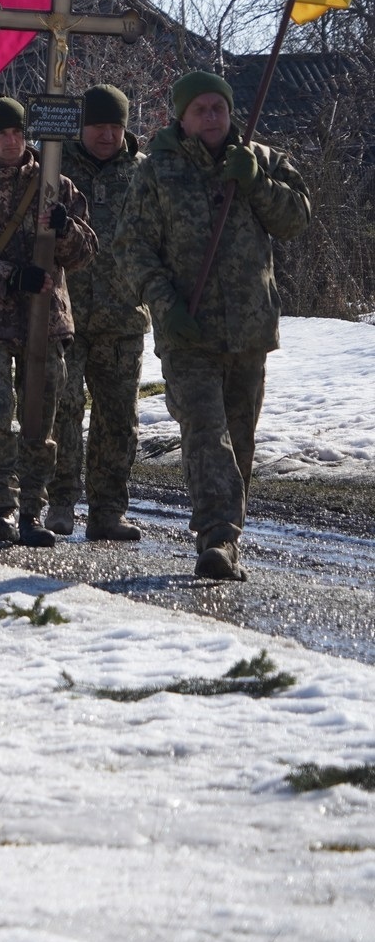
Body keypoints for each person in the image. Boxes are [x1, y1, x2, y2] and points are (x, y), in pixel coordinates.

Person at [115, 71, 312, 581]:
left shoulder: (260, 160)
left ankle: (229, 534)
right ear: (181, 116)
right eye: (200, 109)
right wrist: (163, 303)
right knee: (205, 432)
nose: (210, 117)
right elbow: (132, 249)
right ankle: (217, 537)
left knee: (239, 438)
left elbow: (296, 220)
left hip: (248, 331)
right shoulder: (157, 172)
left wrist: (257, 182)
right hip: (189, 332)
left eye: (218, 109)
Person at [0, 96, 97, 546]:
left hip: (45, 323)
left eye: (18, 132)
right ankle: (1, 507)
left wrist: (67, 230)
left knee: (40, 420)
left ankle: (32, 509)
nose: (11, 140)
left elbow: (87, 253)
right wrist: (11, 278)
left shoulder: (56, 186)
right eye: (2, 133)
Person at [46, 85, 151, 542]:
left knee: (118, 418)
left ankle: (107, 510)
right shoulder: (54, 169)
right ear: (81, 127)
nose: (107, 135)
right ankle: (60, 502)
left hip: (123, 316)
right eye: (98, 126)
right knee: (61, 410)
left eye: (115, 126)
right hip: (63, 315)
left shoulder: (145, 174)